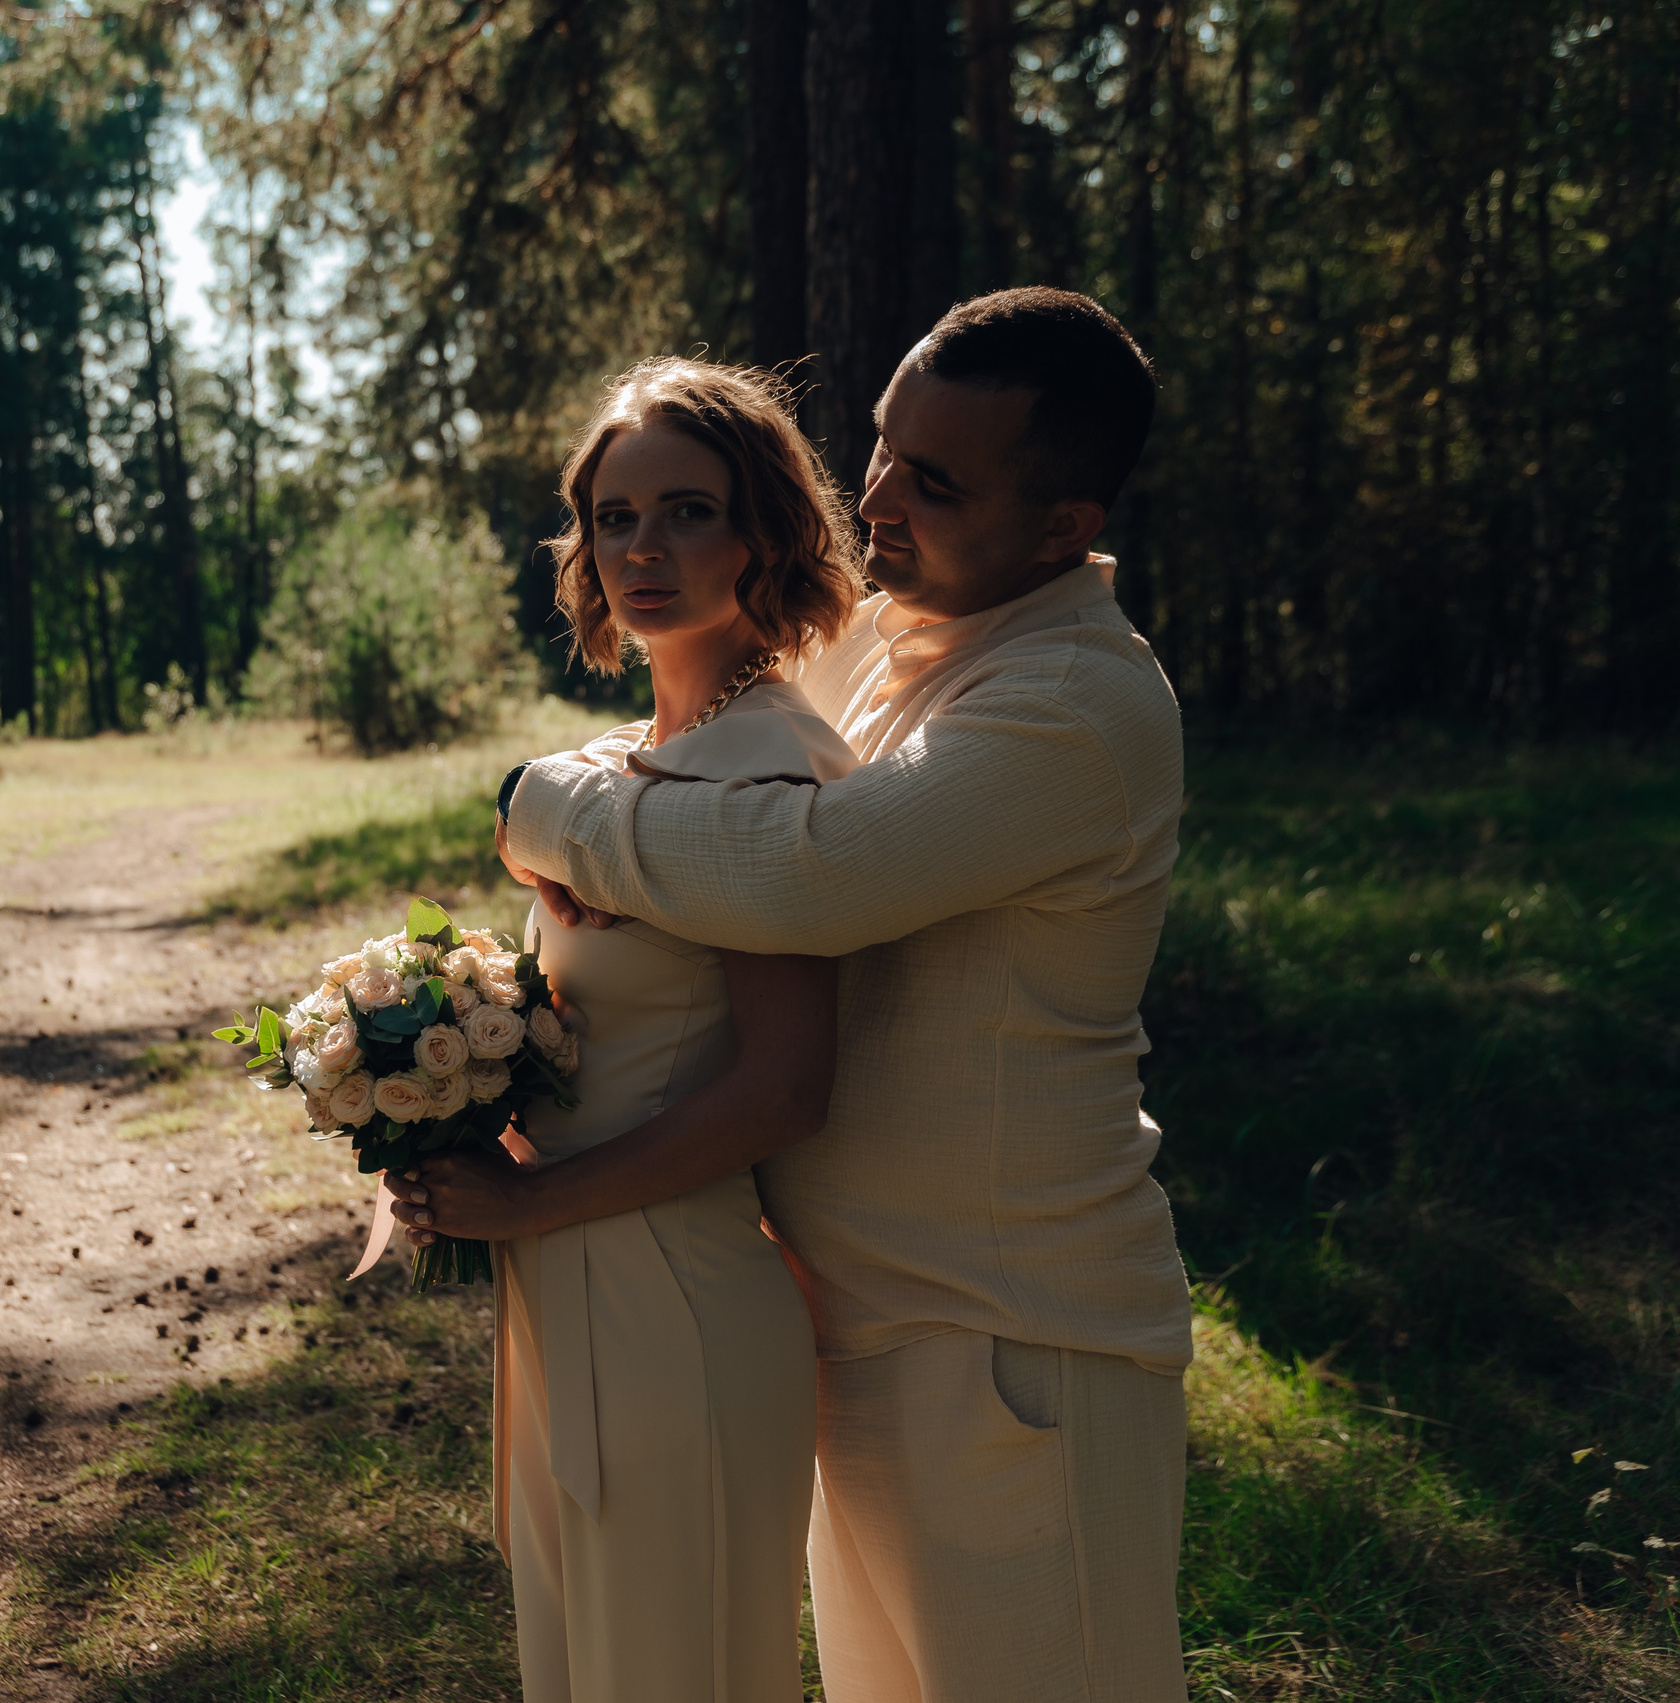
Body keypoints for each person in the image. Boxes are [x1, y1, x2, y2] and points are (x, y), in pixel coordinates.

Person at [397, 288, 1192, 1703]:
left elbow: (806, 873)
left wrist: (538, 806)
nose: (877, 499)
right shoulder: (891, 643)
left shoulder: (1073, 702)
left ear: (1067, 524)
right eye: (883, 449)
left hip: (1013, 1345)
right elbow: (693, 721)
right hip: (849, 1319)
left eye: (935, 482)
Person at [476, 355, 865, 1703]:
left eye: (689, 511)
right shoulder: (618, 767)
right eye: (615, 515)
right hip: (560, 1296)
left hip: (679, 1306)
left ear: (764, 530)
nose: (643, 547)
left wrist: (533, 1204)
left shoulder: (770, 769)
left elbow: (784, 1091)